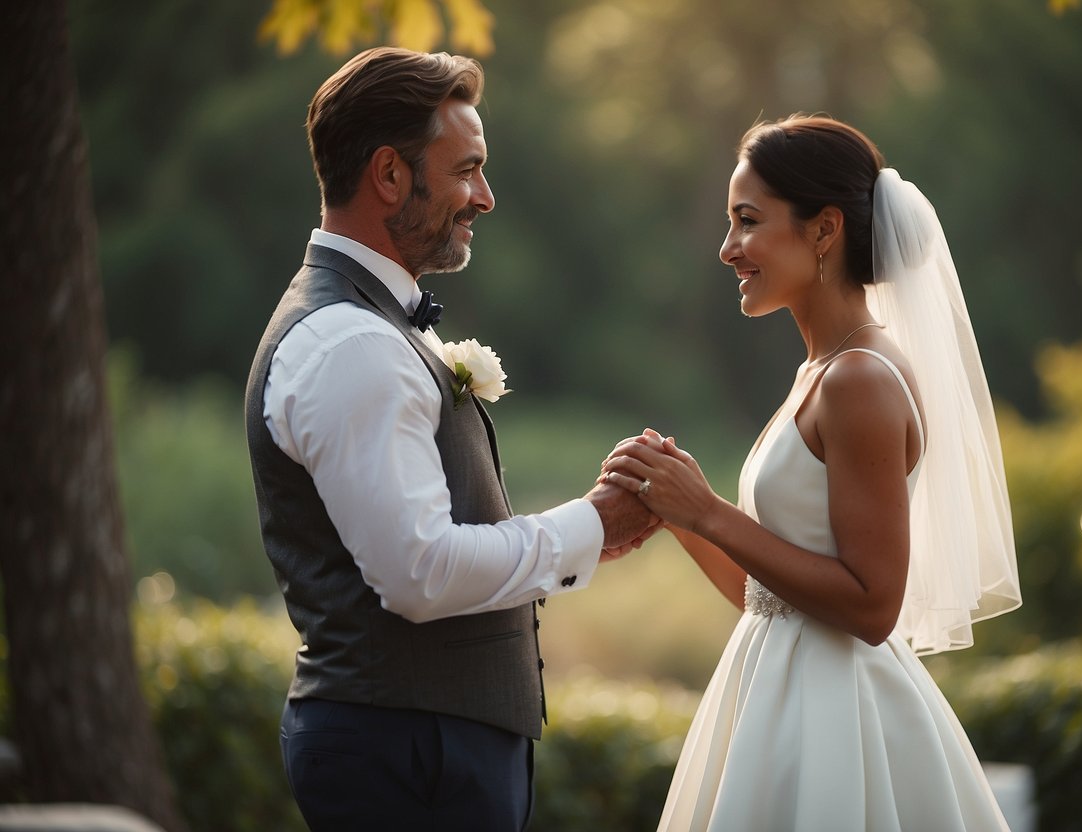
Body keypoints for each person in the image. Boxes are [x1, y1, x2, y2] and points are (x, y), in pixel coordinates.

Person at [244, 47, 655, 831]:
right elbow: (420, 573)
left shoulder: (370, 325)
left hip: (418, 749)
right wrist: (591, 524)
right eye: (466, 169)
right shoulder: (351, 343)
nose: (486, 197)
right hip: (407, 757)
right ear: (390, 175)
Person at [601, 115, 1023, 830]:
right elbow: (768, 597)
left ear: (823, 231)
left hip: (837, 720)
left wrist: (709, 511)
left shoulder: (860, 378)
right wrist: (675, 510)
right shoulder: (820, 371)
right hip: (774, 692)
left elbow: (869, 604)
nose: (727, 248)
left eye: (746, 221)